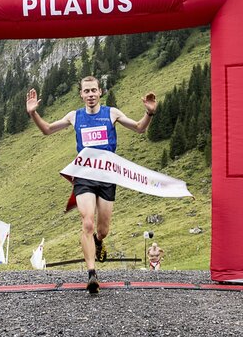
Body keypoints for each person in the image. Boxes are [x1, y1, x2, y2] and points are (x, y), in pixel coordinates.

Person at [26, 76, 157, 294]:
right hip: (84, 176)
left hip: (107, 178)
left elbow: (139, 128)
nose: (90, 95)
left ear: (100, 92)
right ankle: (91, 274)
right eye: (86, 91)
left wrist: (149, 113)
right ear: (81, 94)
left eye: (93, 91)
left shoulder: (112, 113)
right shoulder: (74, 116)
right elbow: (47, 129)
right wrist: (33, 113)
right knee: (87, 222)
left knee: (103, 229)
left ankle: (98, 241)